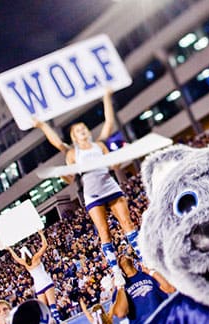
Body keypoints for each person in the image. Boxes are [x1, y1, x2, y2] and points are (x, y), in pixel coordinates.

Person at [34, 90, 142, 287]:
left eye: (84, 128)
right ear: (74, 137)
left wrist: (106, 97)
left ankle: (145, 260)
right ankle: (116, 272)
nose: (83, 131)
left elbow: (109, 124)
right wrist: (42, 125)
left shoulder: (99, 145)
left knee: (127, 222)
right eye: (78, 131)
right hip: (92, 194)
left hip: (109, 186)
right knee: (104, 232)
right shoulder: (72, 153)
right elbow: (64, 163)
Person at [111, 255, 174, 324]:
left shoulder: (148, 275)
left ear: (132, 259)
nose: (121, 256)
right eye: (119, 258)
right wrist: (120, 287)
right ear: (119, 268)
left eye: (124, 254)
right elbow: (120, 313)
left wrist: (151, 271)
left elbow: (170, 289)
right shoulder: (120, 288)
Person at [8, 230, 63, 322]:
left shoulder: (25, 263)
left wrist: (10, 249)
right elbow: (45, 245)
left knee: (43, 308)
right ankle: (57, 321)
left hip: (38, 285)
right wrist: (41, 234)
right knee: (52, 304)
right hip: (46, 281)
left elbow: (16, 259)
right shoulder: (35, 258)